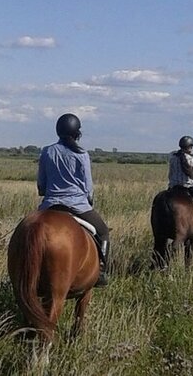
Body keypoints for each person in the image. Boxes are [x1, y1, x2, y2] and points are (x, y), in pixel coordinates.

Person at [37, 113, 111, 286]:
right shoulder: (81, 154)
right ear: (77, 132)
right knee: (103, 232)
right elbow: (87, 187)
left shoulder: (47, 151)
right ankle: (101, 271)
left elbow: (41, 186)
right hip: (77, 205)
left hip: (50, 204)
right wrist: (88, 199)